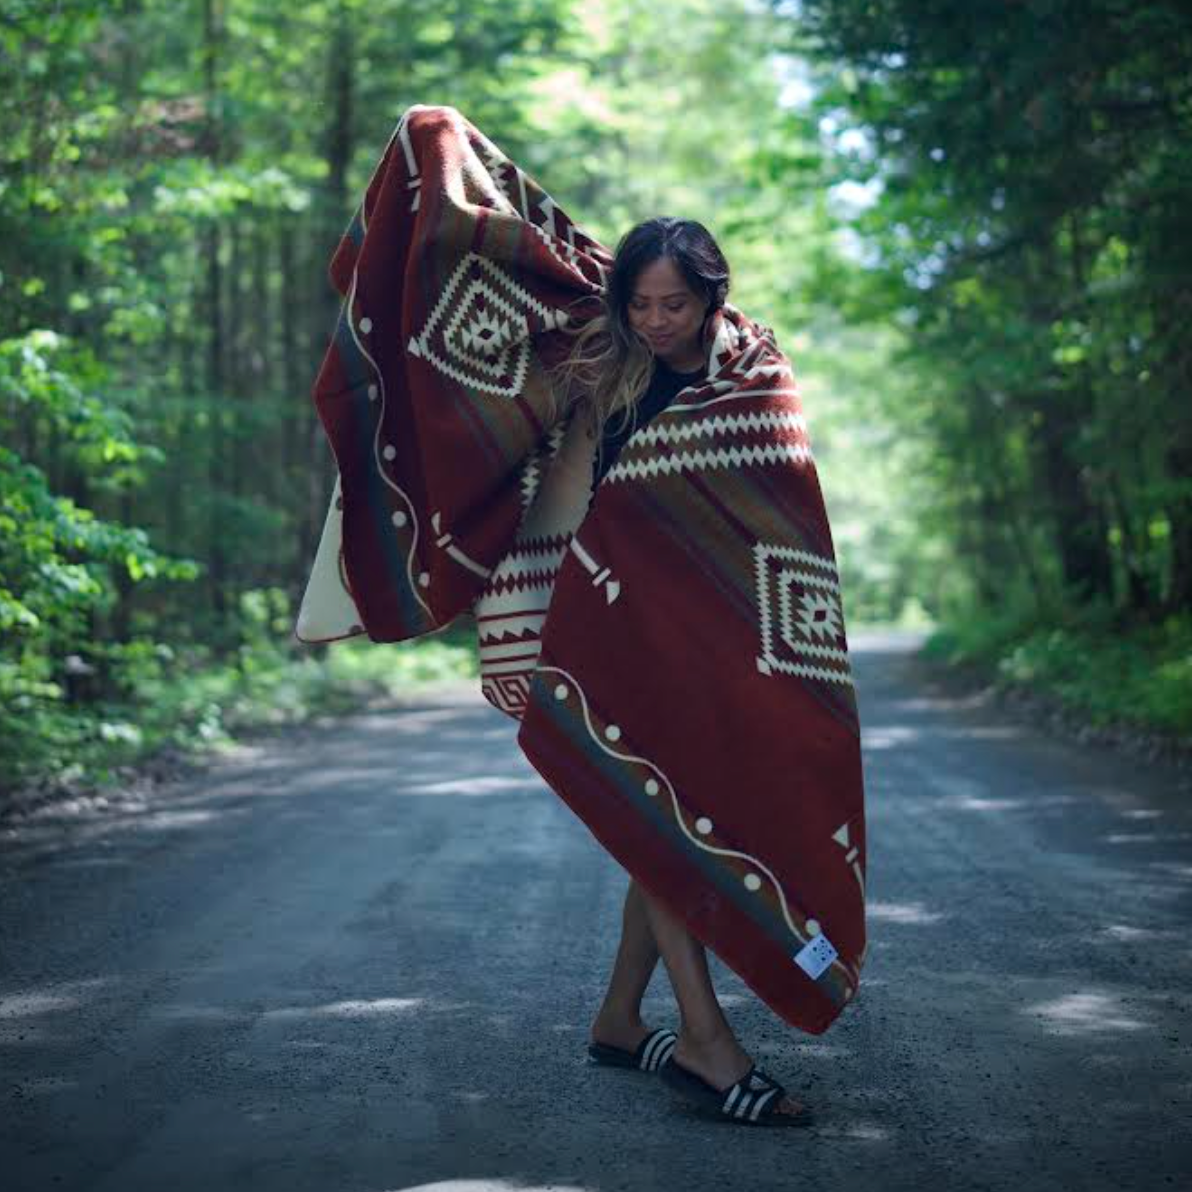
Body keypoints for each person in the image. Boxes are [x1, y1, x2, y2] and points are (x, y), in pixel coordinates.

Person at [551, 217, 814, 1126]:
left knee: (669, 818)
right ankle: (705, 1040)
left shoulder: (749, 380)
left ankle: (621, 1019)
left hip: (723, 639)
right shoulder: (610, 379)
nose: (657, 320)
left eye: (675, 303)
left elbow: (778, 512)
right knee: (658, 819)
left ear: (713, 296)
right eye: (640, 304)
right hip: (627, 632)